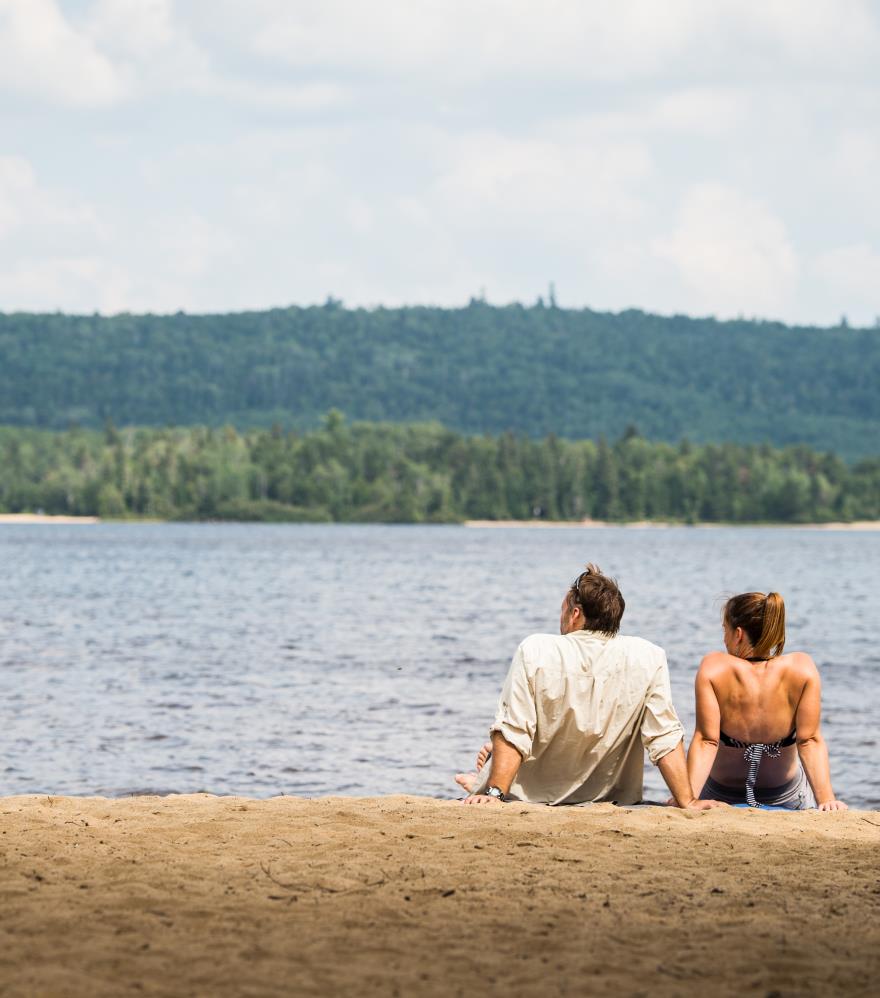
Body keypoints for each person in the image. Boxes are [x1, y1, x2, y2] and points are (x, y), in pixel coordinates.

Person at [455, 564, 722, 809]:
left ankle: (488, 780)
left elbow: (515, 729)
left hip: (534, 797)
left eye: (562, 610)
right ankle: (487, 776)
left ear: (574, 614)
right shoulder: (648, 656)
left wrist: (493, 793)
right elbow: (663, 736)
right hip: (610, 799)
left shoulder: (536, 649)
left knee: (504, 740)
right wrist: (687, 800)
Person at [687, 591, 847, 810]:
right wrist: (827, 800)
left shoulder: (714, 668)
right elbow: (809, 740)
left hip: (719, 794)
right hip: (785, 794)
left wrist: (688, 800)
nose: (724, 639)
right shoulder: (801, 668)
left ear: (739, 634)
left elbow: (707, 740)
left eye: (725, 630)